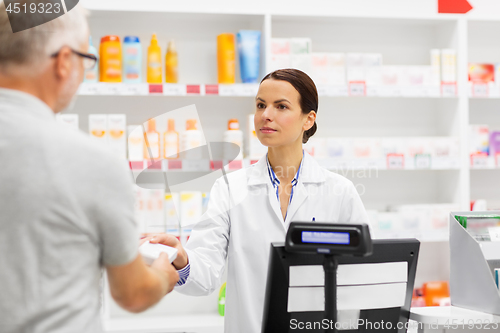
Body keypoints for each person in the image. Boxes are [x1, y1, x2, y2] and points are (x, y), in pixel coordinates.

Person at [144, 68, 370, 333]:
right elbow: (205, 275)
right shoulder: (229, 188)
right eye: (261, 105)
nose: (266, 115)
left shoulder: (340, 191)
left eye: (281, 106)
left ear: (308, 119)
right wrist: (182, 257)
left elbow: (363, 277)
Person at [0, 3, 178, 333]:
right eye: (86, 60)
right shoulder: (91, 161)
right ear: (65, 62)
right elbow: (133, 294)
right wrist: (164, 275)